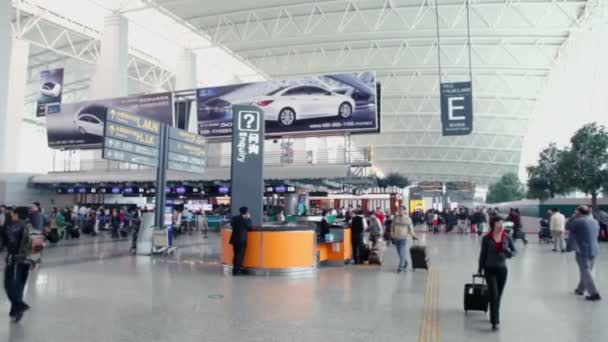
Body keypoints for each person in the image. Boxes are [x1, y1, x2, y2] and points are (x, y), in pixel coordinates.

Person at [478, 215, 517, 331]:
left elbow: (514, 252)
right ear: (493, 225)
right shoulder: (487, 238)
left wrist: (507, 251)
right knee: (494, 296)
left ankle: (493, 311)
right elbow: (483, 254)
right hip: (489, 269)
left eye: (502, 223)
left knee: (497, 296)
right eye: (498, 223)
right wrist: (480, 269)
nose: (501, 226)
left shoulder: (507, 237)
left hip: (502, 270)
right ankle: (495, 321)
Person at [2, 207, 34, 322]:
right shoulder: (30, 226)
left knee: (8, 285)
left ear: (17, 214)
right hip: (27, 261)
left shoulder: (13, 226)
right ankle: (15, 310)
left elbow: (5, 241)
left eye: (13, 213)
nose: (11, 215)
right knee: (19, 286)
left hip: (15, 260)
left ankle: (19, 306)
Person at [568, 206, 601, 301]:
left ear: (579, 212)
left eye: (576, 211)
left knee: (585, 271)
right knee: (586, 270)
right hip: (594, 249)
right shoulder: (594, 221)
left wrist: (573, 216)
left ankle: (594, 293)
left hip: (582, 250)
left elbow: (567, 226)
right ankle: (580, 289)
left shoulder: (578, 221)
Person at [391, 206, 417, 272]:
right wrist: (392, 234)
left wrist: (413, 235)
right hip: (396, 237)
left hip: (403, 237)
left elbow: (411, 228)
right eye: (399, 210)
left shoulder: (408, 219)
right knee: (399, 252)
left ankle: (401, 267)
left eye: (401, 210)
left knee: (402, 252)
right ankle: (405, 262)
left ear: (405, 211)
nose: (400, 211)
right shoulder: (395, 218)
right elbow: (392, 227)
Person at [230, 207, 252, 276]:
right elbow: (250, 227)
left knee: (236, 254)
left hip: (234, 239)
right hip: (241, 240)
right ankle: (236, 270)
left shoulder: (234, 218)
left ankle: (236, 268)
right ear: (246, 212)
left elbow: (232, 224)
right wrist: (248, 218)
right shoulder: (246, 220)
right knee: (240, 255)